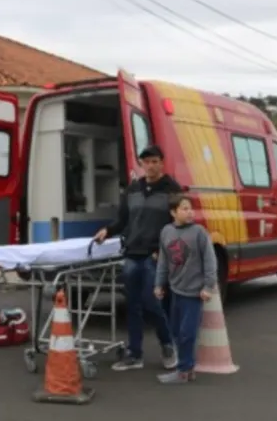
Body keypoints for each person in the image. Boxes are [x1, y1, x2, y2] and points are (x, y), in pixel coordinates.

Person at [93, 144, 179, 371]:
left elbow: (178, 224)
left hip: (155, 256)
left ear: (162, 163)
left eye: (154, 162)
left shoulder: (172, 190)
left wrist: (163, 250)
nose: (150, 166)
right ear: (141, 164)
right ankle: (134, 354)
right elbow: (122, 220)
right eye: (146, 162)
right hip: (132, 253)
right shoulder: (132, 190)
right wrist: (107, 231)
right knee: (133, 305)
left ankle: (168, 344)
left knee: (152, 302)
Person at [154, 195, 218, 384]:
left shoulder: (199, 232)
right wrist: (159, 284)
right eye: (184, 208)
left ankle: (184, 369)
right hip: (175, 290)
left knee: (187, 332)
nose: (189, 212)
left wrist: (208, 286)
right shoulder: (166, 232)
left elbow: (210, 260)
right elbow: (163, 261)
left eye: (190, 208)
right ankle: (187, 368)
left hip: (194, 292)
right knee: (175, 330)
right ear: (173, 212)